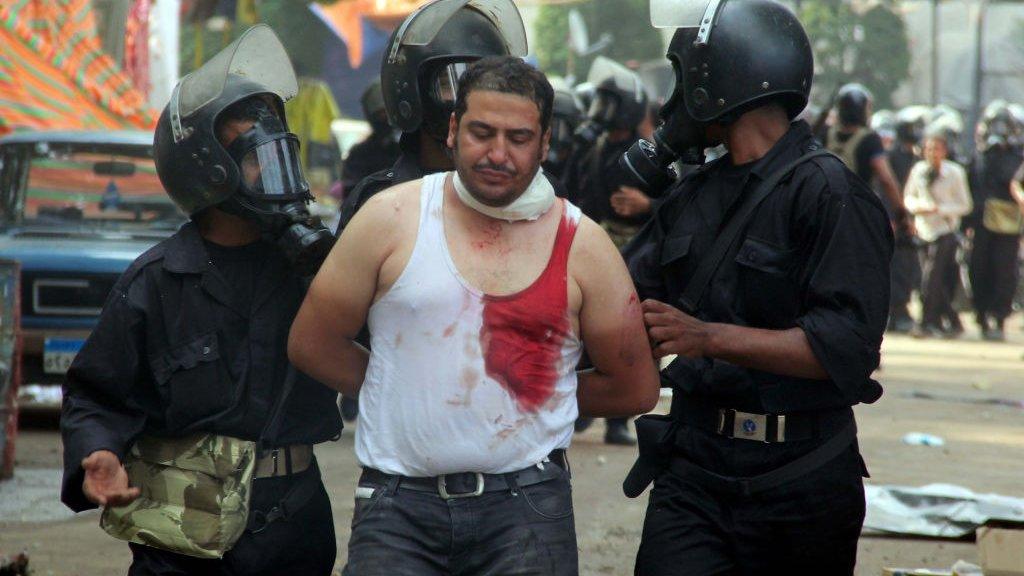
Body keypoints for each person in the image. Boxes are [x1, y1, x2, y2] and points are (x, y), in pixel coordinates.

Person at [289, 56, 660, 575]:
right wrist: (400, 386)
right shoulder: (391, 218)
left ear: (545, 143)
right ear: (452, 129)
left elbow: (636, 388)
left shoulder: (583, 246)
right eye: (482, 132)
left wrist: (529, 393)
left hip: (528, 509)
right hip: (397, 511)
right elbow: (312, 342)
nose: (498, 153)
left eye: (519, 137)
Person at [59, 26, 341, 575]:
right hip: (182, 541)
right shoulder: (156, 282)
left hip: (295, 525)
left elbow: (384, 350)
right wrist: (98, 456)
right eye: (257, 157)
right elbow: (94, 394)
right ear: (209, 171)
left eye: (279, 150)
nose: (274, 169)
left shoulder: (316, 267)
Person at [622, 1, 893, 573]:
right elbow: (619, 297)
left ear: (717, 77)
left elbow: (845, 346)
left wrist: (707, 338)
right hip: (693, 471)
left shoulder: (830, 193)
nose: (675, 100)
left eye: (683, 77)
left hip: (802, 479)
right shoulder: (693, 195)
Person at [333, 0, 528, 236]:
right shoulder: (377, 204)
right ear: (411, 89)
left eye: (490, 83)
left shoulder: (537, 196)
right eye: (452, 82)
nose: (475, 100)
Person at [565, 57, 652, 445]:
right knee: (582, 328)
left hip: (637, 251)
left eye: (610, 102)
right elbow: (572, 194)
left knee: (629, 335)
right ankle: (585, 404)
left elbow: (682, 204)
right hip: (597, 247)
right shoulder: (594, 147)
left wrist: (648, 206)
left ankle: (618, 419)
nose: (603, 112)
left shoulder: (649, 153)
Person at [905, 133, 973, 338]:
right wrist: (920, 208)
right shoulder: (918, 171)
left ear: (944, 151)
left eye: (936, 149)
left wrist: (940, 209)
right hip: (924, 230)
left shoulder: (955, 173)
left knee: (930, 277)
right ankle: (953, 320)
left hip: (945, 231)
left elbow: (965, 205)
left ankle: (925, 323)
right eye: (929, 149)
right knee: (934, 280)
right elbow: (908, 196)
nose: (932, 153)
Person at [967, 101, 1024, 341]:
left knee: (1005, 270)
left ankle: (999, 317)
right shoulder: (978, 157)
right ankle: (981, 314)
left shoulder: (1018, 158)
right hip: (980, 222)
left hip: (1008, 224)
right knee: (978, 268)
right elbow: (970, 187)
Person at [826, 83, 910, 227]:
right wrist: (901, 214)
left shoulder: (826, 134)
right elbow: (886, 179)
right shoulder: (869, 139)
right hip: (857, 213)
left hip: (825, 209)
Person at [886, 108, 927, 333]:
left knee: (909, 268)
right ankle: (895, 313)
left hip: (914, 220)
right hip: (895, 220)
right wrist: (892, 218)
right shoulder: (891, 156)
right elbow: (886, 189)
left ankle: (902, 311)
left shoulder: (918, 158)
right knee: (894, 268)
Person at [341, 79, 401, 196]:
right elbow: (352, 194)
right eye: (380, 114)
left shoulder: (413, 149)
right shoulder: (359, 154)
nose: (385, 119)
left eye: (387, 112)